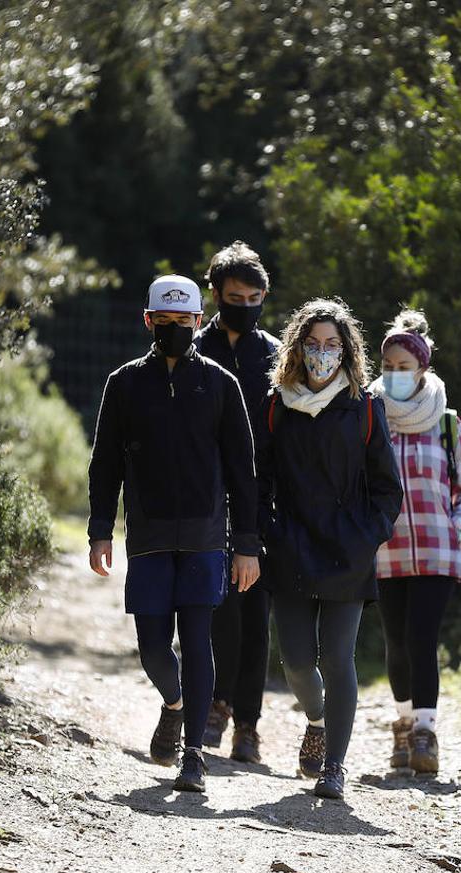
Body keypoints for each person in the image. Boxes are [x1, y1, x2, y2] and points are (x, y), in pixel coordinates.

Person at [86, 274, 261, 794]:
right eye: (164, 322)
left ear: (197, 322)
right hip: (149, 536)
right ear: (149, 322)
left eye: (183, 323)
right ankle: (176, 703)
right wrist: (100, 531)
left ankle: (193, 756)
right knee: (153, 649)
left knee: (199, 641)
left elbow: (243, 470)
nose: (175, 330)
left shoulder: (221, 386)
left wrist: (247, 544)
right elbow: (104, 464)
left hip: (207, 536)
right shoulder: (123, 384)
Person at [257, 298, 403, 800]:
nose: (322, 354)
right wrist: (262, 536)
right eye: (314, 344)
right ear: (298, 347)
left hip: (348, 553)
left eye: (332, 345)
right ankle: (315, 720)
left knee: (338, 657)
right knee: (296, 660)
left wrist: (369, 533)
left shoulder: (364, 408)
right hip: (291, 548)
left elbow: (388, 488)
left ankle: (334, 767)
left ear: (347, 351)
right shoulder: (276, 405)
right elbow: (260, 481)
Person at [371, 309, 461, 776]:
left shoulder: (446, 422)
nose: (396, 375)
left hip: (438, 551)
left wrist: (456, 531)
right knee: (395, 641)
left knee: (422, 638)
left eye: (405, 367)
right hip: (385, 551)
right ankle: (402, 725)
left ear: (423, 369)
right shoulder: (372, 416)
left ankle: (426, 732)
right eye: (388, 367)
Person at [193, 242, 280, 765]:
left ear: (265, 296)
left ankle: (248, 723)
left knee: (256, 612)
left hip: (265, 497)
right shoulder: (194, 346)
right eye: (233, 297)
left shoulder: (274, 353)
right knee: (213, 607)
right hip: (206, 496)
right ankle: (214, 704)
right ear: (216, 295)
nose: (244, 305)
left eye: (253, 297)